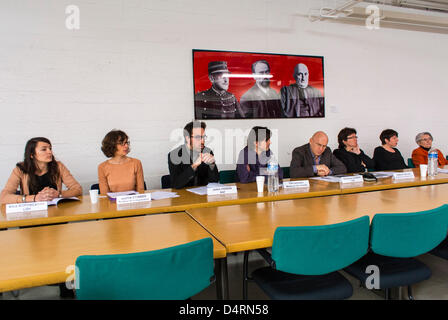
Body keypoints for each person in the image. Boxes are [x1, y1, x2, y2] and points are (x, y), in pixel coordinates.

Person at [0, 137, 82, 204]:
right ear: (32, 155)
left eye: (50, 148)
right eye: (44, 149)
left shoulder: (58, 166)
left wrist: (59, 194)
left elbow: (77, 189)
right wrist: (35, 198)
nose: (50, 152)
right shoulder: (20, 169)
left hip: (56, 212)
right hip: (30, 215)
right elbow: (4, 197)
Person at [168, 121, 219, 189]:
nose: (202, 141)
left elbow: (214, 181)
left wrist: (212, 165)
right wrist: (194, 166)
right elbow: (176, 184)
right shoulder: (174, 155)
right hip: (184, 197)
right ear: (188, 138)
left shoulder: (207, 151)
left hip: (204, 196)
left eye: (203, 137)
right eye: (198, 137)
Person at [98, 130, 145, 194]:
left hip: (133, 202)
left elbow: (140, 191)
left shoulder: (136, 163)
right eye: (121, 143)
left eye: (126, 143)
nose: (126, 146)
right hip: (113, 203)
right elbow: (104, 195)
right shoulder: (102, 167)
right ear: (112, 146)